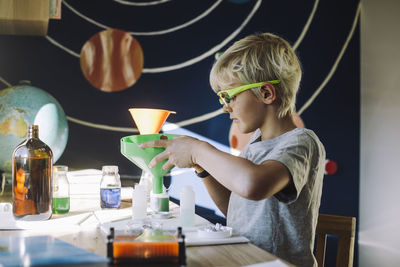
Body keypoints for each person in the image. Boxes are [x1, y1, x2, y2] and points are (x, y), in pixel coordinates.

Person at [139, 32, 326, 267]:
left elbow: (253, 185)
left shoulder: (301, 142)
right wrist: (201, 167)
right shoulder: (255, 143)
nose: (225, 108)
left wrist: (198, 149)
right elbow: (235, 208)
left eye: (229, 97)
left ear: (266, 93)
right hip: (245, 260)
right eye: (221, 99)